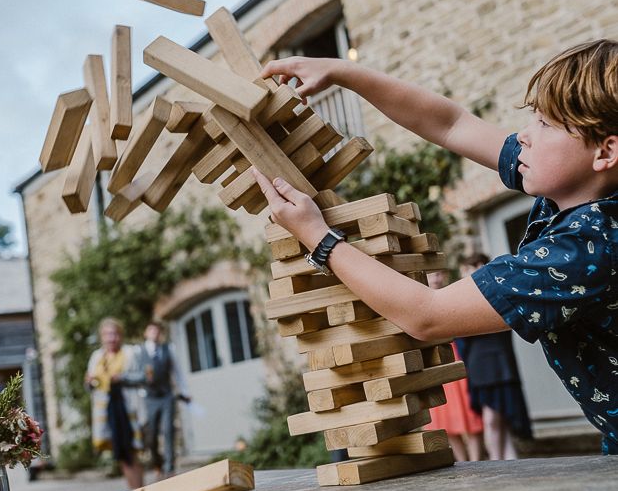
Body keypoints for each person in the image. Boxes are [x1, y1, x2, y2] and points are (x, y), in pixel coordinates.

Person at [253, 39, 618, 455]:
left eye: (547, 125)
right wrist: (343, 72)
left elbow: (428, 316)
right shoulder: (570, 189)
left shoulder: (591, 246)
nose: (524, 136)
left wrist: (319, 238)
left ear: (605, 151)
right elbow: (451, 124)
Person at [456, 253, 532, 460]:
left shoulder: (497, 293)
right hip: (479, 367)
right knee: (494, 420)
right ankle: (503, 461)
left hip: (500, 364)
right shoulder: (462, 300)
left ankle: (500, 462)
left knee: (498, 419)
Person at [422, 270, 484, 462]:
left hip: (460, 361)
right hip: (436, 366)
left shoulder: (454, 296)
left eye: (438, 274)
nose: (435, 278)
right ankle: (462, 461)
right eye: (431, 275)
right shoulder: (420, 304)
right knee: (444, 419)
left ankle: (476, 461)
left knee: (470, 416)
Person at [85, 317, 143, 489]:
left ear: (120, 335)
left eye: (115, 334)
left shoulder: (130, 353)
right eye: (108, 334)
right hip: (108, 410)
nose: (111, 338)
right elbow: (90, 385)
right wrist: (88, 382)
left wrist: (122, 377)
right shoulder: (97, 357)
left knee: (132, 449)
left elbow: (143, 377)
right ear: (102, 337)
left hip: (128, 407)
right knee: (121, 451)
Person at [134, 321, 191, 478]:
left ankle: (170, 467)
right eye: (151, 329)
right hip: (149, 398)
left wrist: (185, 391)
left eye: (157, 330)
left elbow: (177, 372)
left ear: (160, 334)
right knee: (151, 435)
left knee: (168, 430)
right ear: (146, 333)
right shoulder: (138, 351)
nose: (154, 333)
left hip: (166, 396)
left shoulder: (168, 349)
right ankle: (157, 463)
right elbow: (134, 374)